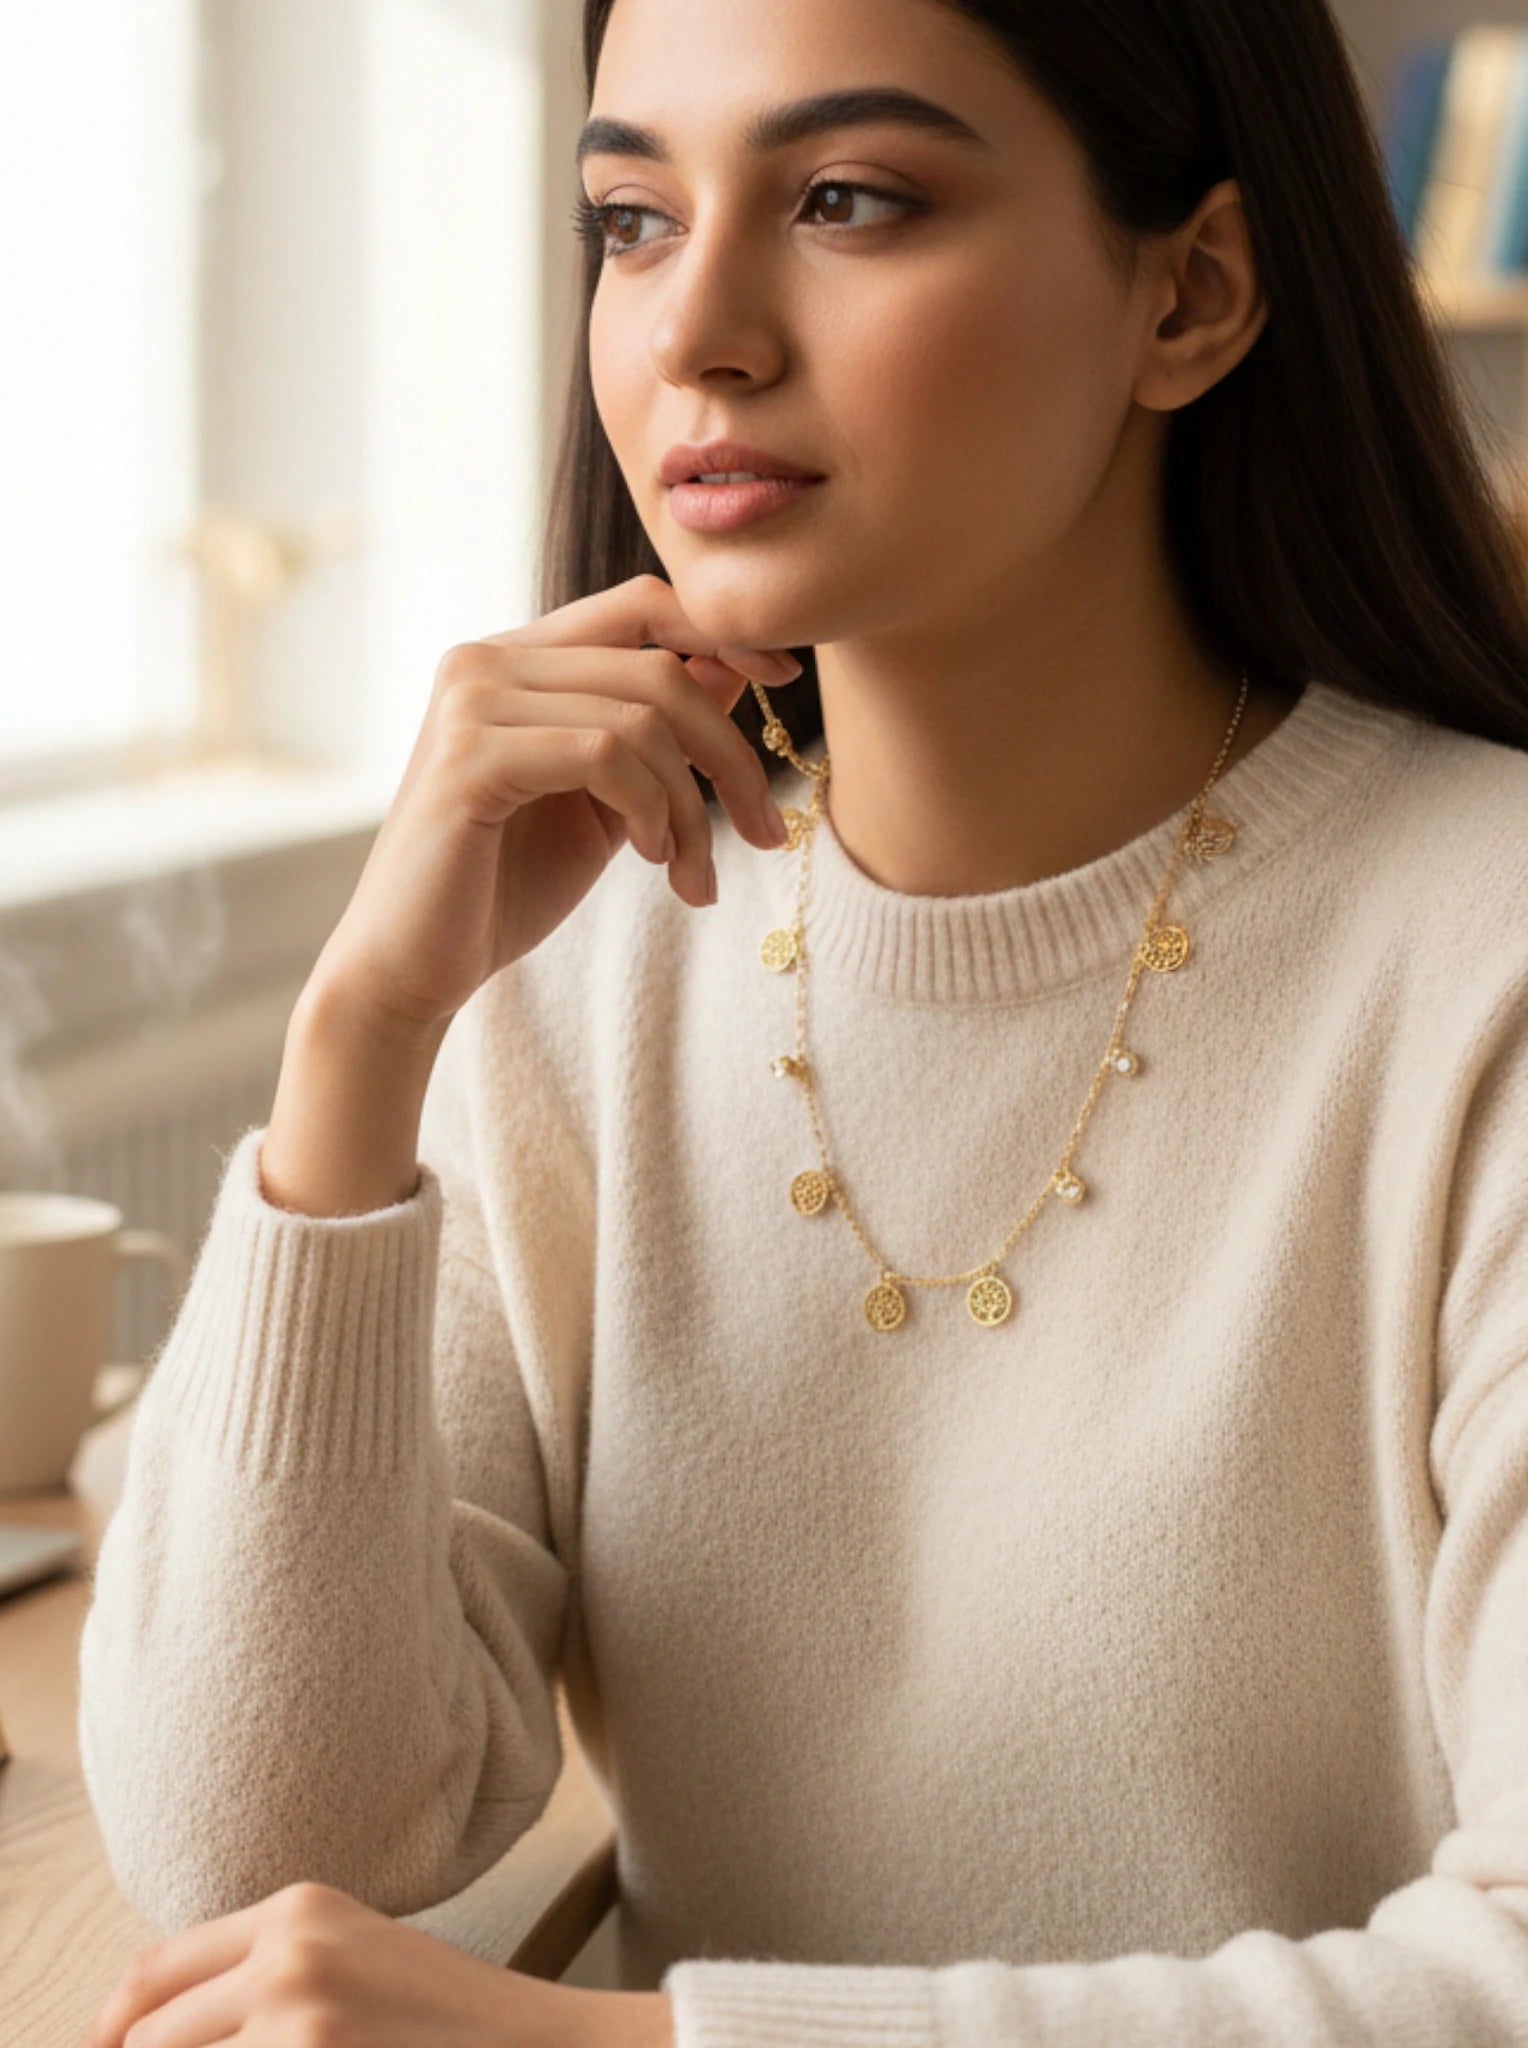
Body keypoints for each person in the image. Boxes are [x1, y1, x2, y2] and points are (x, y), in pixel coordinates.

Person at [78, 0, 1528, 2042]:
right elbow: (253, 1846)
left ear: (1189, 293)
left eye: (848, 198)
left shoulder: (1488, 959)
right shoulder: (562, 981)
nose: (698, 334)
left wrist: (616, 2042)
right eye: (630, 218)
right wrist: (360, 1038)